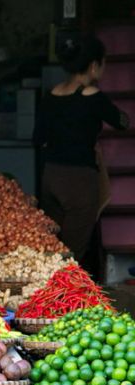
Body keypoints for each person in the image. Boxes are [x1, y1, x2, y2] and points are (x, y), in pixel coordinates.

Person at [34, 33, 130, 261]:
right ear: (94, 65)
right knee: (71, 253)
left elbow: (37, 139)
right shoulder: (93, 97)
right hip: (79, 182)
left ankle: (49, 291)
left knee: (51, 247)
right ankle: (62, 294)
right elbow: (123, 123)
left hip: (50, 177)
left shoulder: (51, 96)